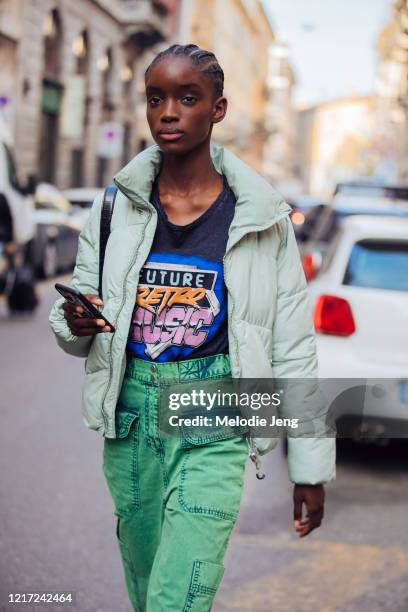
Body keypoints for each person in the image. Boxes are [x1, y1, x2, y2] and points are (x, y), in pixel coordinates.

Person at [49, 44, 335, 611]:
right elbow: (73, 324)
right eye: (156, 99)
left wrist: (309, 466)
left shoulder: (260, 218)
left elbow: (294, 348)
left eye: (187, 97)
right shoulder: (115, 209)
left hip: (219, 409)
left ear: (218, 109)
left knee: (180, 596)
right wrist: (77, 318)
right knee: (147, 583)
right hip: (130, 417)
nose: (169, 112)